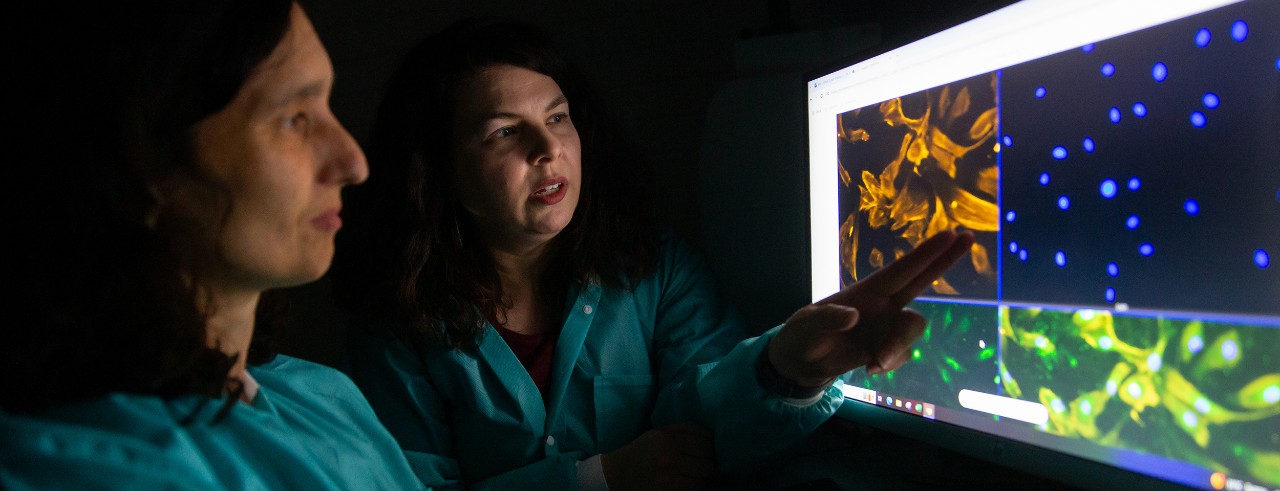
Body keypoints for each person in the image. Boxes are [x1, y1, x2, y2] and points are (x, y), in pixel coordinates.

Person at [334, 16, 975, 491]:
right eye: (504, 132)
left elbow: (704, 425)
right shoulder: (399, 322)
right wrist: (596, 479)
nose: (547, 149)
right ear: (439, 173)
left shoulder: (655, 266)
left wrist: (786, 368)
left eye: (557, 118)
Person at [2, 2, 425, 489]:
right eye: (294, 118)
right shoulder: (91, 469)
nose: (354, 164)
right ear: (144, 160)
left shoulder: (319, 394)